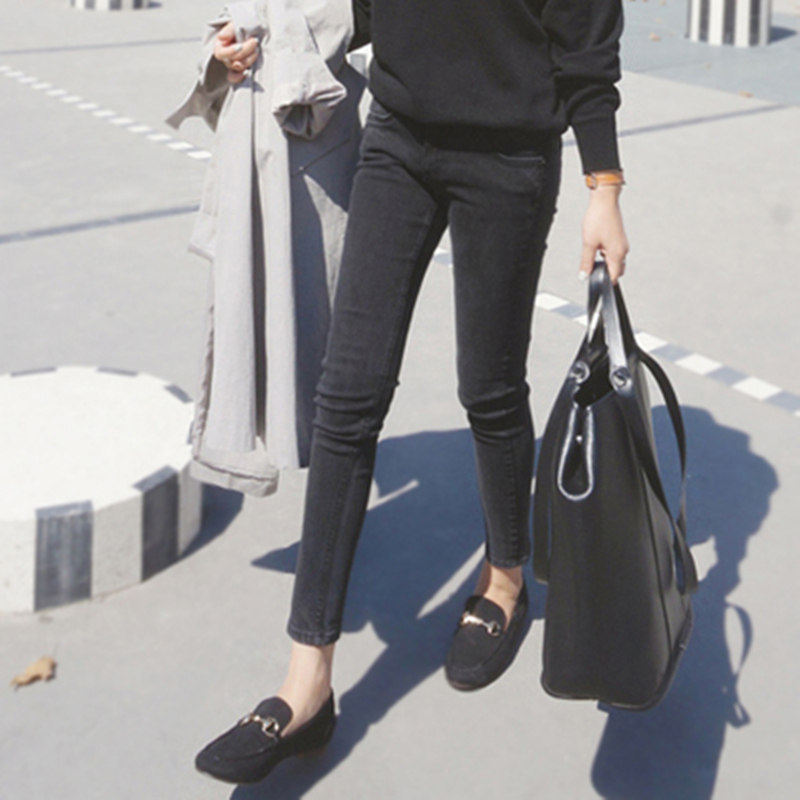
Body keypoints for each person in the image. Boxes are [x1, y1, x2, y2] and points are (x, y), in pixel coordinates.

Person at [196, 0, 629, 785]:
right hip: (397, 141)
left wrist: (604, 187)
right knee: (347, 397)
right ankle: (307, 681)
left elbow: (587, 51)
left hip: (510, 160)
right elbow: (362, 9)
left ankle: (505, 578)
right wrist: (259, 41)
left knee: (489, 388)